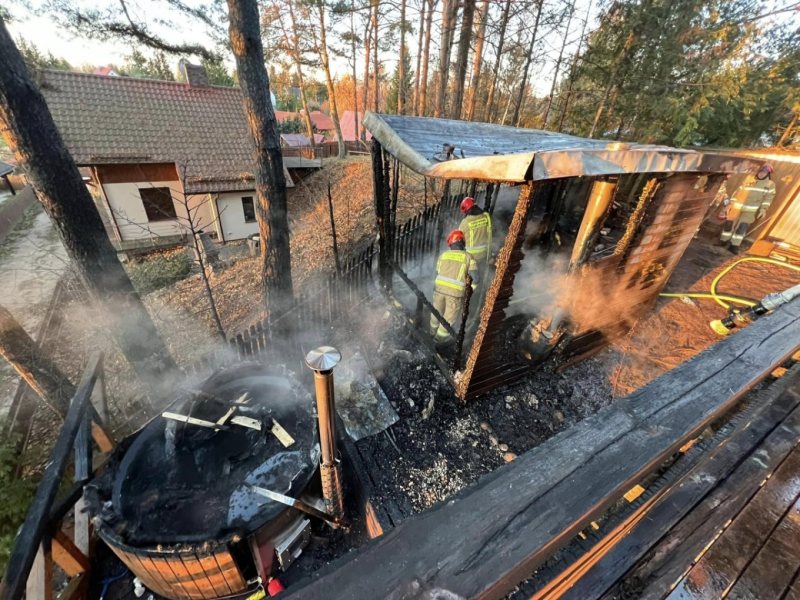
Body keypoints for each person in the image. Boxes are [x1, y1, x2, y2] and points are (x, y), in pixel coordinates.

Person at [430, 230, 477, 343]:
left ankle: (431, 333)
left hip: (438, 291)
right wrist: (469, 293)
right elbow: (476, 278)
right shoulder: (468, 257)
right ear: (463, 243)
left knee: (435, 313)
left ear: (450, 243)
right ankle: (438, 341)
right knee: (448, 320)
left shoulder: (443, 255)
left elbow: (436, 274)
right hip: (455, 295)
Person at [720, 164, 776, 250]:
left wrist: (763, 209)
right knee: (729, 224)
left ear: (768, 174)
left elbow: (768, 198)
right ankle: (723, 241)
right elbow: (738, 191)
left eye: (764, 173)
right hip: (736, 207)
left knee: (742, 228)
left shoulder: (770, 185)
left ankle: (734, 246)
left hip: (750, 210)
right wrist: (730, 203)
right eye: (760, 172)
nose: (761, 174)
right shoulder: (749, 179)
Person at [458, 197, 492, 265]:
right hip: (484, 254)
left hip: (470, 257)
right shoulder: (486, 217)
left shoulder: (465, 222)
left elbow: (459, 240)